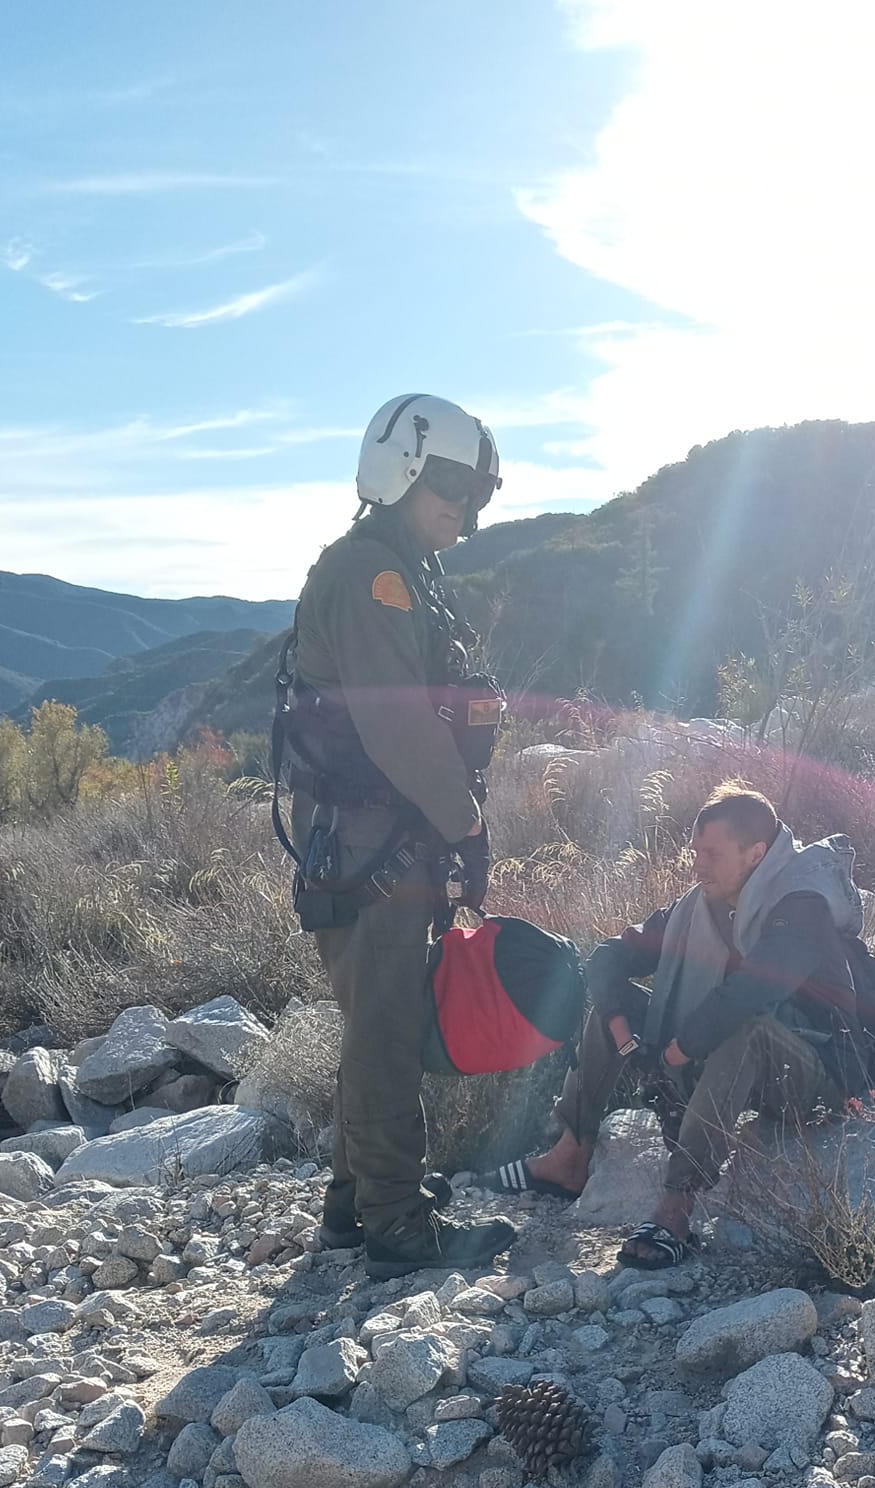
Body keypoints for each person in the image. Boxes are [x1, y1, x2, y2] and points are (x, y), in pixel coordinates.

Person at [275, 392, 518, 1279]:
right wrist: (465, 823)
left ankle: (355, 1202)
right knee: (384, 1026)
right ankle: (396, 1226)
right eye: (450, 493)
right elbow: (398, 726)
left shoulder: (404, 571)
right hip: (373, 835)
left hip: (385, 831)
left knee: (380, 1017)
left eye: (474, 499)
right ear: (407, 473)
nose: (463, 515)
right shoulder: (371, 575)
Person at [482, 785, 871, 1267]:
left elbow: (752, 992)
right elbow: (609, 958)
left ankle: (678, 1203)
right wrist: (623, 1031)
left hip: (817, 1071)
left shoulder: (801, 904)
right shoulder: (699, 906)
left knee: (746, 1027)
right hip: (733, 1058)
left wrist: (674, 1052)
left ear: (756, 854)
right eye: (695, 852)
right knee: (615, 1005)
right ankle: (569, 1156)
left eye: (712, 853)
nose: (697, 866)